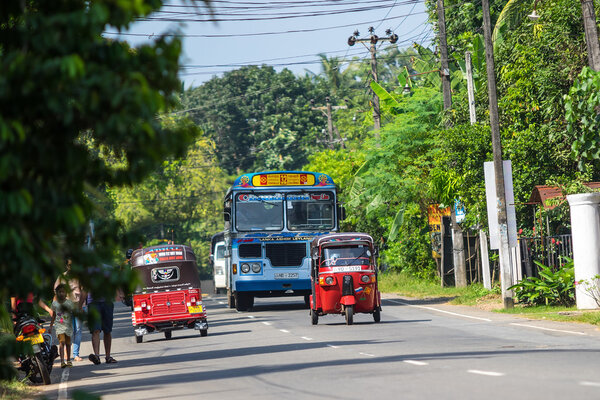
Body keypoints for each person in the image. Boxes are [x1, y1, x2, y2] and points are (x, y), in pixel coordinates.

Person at [81, 265, 122, 365]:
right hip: (93, 303)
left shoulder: (108, 268)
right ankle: (97, 356)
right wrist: (80, 304)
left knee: (107, 330)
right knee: (95, 330)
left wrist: (118, 294)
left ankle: (108, 356)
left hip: (107, 302)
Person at [54, 258, 83, 361]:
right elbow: (56, 289)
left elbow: (84, 290)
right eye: (70, 265)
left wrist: (82, 305)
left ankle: (76, 354)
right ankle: (66, 353)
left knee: (78, 330)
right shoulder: (62, 277)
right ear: (67, 266)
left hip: (77, 306)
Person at [49, 284, 74, 368]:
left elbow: (74, 313)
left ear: (66, 293)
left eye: (63, 292)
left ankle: (69, 360)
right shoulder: (55, 304)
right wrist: (51, 326)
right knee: (61, 342)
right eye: (59, 292)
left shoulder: (69, 303)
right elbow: (54, 315)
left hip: (68, 326)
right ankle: (62, 361)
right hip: (59, 326)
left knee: (68, 343)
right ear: (57, 293)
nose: (61, 294)